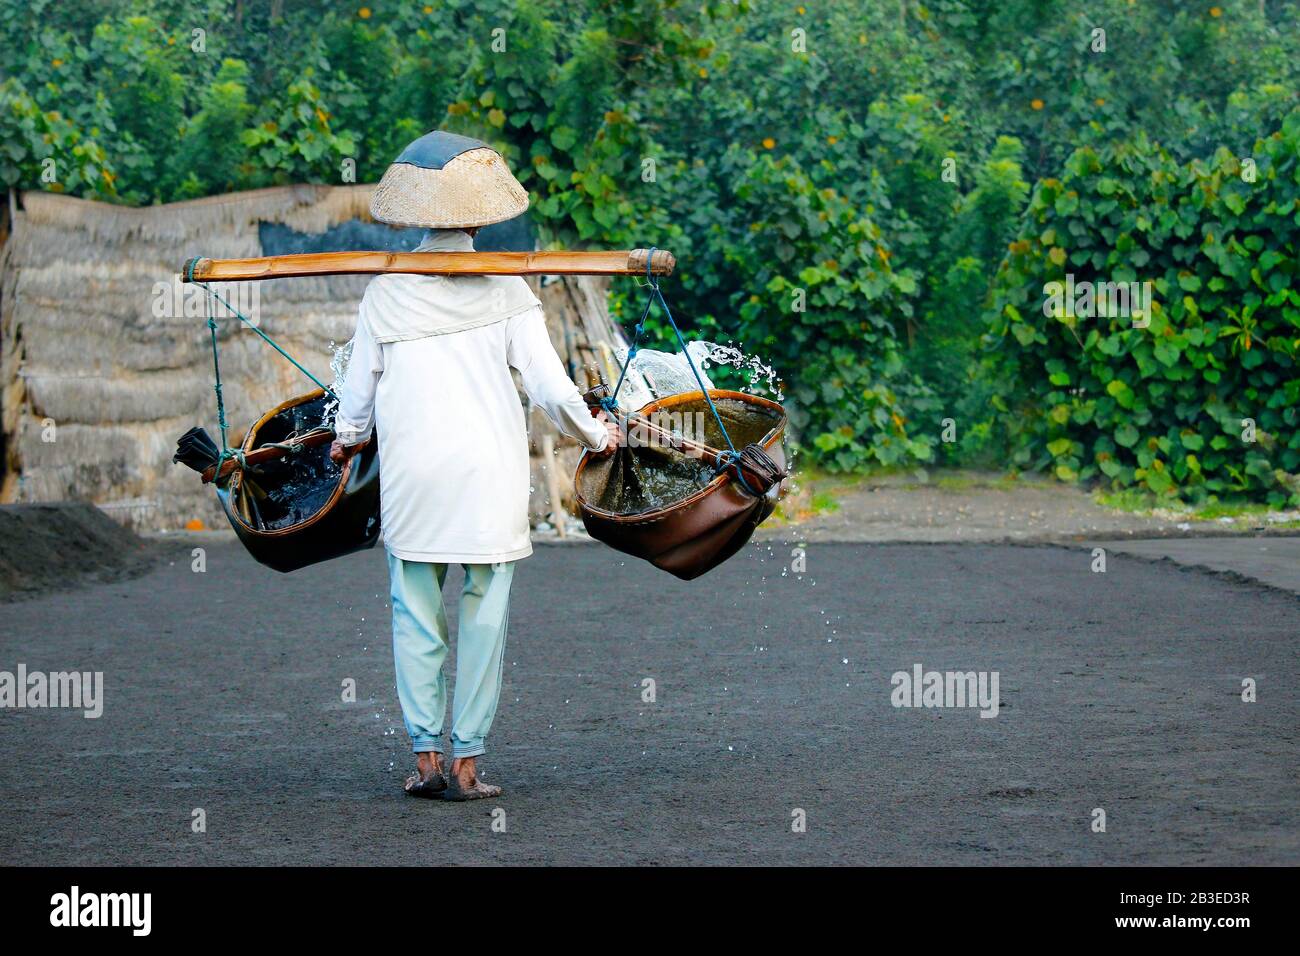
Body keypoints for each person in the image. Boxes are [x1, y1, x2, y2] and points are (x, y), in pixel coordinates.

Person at [330, 130, 620, 801]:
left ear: (419, 215)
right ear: (480, 215)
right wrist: (596, 435)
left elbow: (356, 403)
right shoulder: (508, 290)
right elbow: (552, 390)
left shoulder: (385, 294)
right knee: (485, 618)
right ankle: (468, 765)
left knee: (414, 614)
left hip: (414, 482)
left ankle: (428, 760)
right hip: (487, 479)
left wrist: (345, 440)